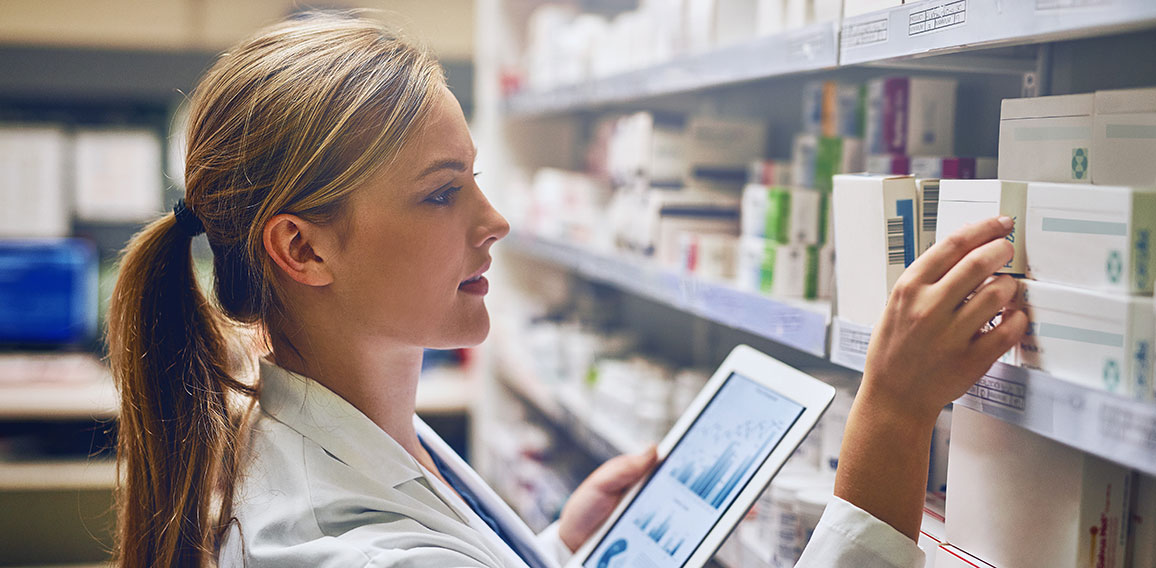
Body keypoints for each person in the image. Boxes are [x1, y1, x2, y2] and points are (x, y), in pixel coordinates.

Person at [106, 11, 1026, 568]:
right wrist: (895, 420)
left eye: (473, 174)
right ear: (302, 250)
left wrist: (551, 549)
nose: (493, 218)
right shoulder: (340, 540)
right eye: (439, 193)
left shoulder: (343, 421)